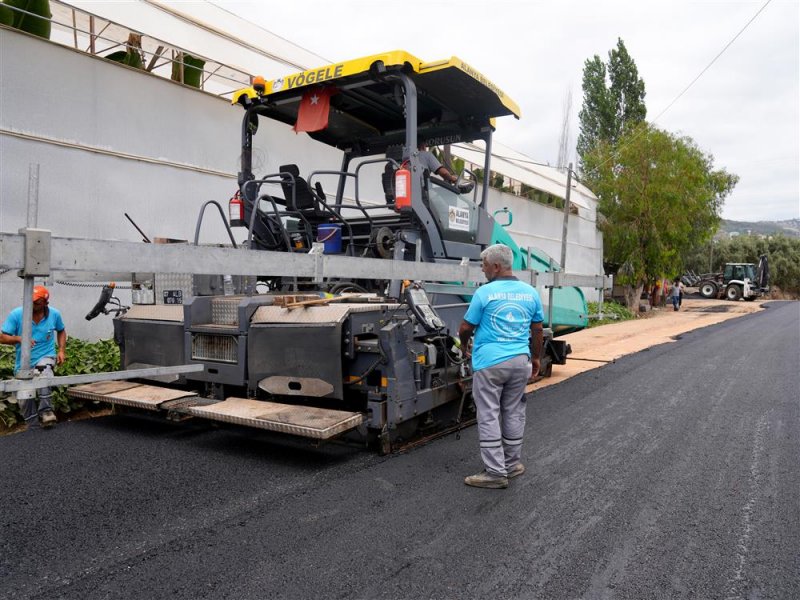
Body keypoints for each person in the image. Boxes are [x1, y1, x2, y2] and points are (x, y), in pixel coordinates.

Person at [458, 244, 544, 489]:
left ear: (496, 266)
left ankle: (495, 473)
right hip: (520, 361)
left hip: (490, 363)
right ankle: (512, 464)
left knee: (488, 413)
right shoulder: (530, 293)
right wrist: (535, 358)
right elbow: (537, 330)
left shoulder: (485, 293)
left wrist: (465, 347)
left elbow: (465, 327)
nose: (483, 270)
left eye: (484, 265)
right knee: (513, 410)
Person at [0, 285, 66, 429]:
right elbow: (2, 337)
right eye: (30, 301)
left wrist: (61, 351)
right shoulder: (17, 314)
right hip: (23, 363)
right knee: (24, 397)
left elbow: (61, 330)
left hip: (46, 355)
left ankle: (46, 412)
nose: (32, 304)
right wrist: (19, 339)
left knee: (44, 372)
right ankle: (33, 427)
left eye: (36, 302)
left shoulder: (54, 314)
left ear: (45, 303)